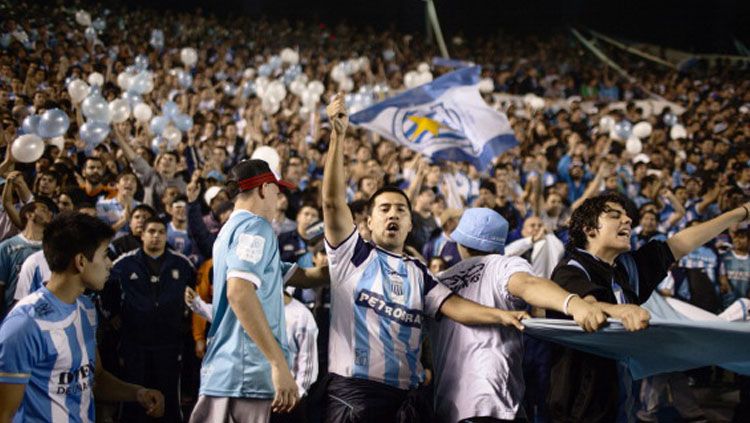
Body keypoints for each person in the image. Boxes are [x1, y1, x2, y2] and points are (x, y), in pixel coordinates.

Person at [321, 94, 534, 422]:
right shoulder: (351, 254)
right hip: (355, 392)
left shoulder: (418, 272)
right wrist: (338, 137)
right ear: (368, 221)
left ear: (410, 223)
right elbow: (334, 203)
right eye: (385, 209)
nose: (393, 214)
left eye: (400, 210)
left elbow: (456, 307)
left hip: (406, 397)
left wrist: (500, 315)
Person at [548, 192, 750, 422]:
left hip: (622, 405)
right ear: (589, 229)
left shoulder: (627, 269)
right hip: (578, 410)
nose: (628, 220)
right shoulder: (571, 268)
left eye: (627, 216)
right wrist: (620, 310)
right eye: (615, 216)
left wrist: (741, 212)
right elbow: (586, 304)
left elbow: (682, 243)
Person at [431, 208, 607, 423]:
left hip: (446, 405)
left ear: (460, 243)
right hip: (490, 399)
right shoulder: (504, 264)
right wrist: (573, 303)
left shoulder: (439, 279)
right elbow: (528, 284)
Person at [0, 212, 164, 422]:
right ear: (80, 261)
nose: (110, 264)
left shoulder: (86, 309)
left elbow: (94, 379)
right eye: (104, 255)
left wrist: (138, 393)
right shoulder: (24, 324)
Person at [189, 159, 299, 423]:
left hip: (225, 372)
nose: (278, 196)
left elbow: (286, 274)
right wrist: (278, 363)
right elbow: (238, 293)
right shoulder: (256, 227)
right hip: (249, 371)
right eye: (276, 189)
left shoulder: (228, 232)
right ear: (262, 189)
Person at [102, 217, 196, 422]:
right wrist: (113, 316)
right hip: (134, 343)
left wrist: (183, 324)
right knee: (134, 397)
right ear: (141, 235)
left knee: (169, 396)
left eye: (162, 232)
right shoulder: (124, 264)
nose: (157, 236)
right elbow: (106, 291)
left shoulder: (182, 264)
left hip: (169, 344)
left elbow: (194, 298)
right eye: (151, 231)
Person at [0, 198, 55, 315]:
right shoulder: (7, 247)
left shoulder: (54, 249)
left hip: (44, 314)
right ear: (29, 215)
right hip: (13, 313)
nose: (49, 213)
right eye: (44, 210)